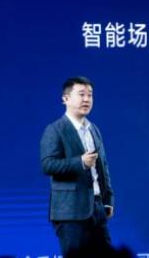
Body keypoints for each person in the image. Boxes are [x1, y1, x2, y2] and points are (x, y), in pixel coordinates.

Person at [40, 76, 115, 257]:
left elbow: (102, 168)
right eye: (81, 94)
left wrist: (108, 200)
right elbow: (48, 165)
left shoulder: (94, 130)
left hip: (97, 209)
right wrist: (80, 162)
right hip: (70, 212)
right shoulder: (55, 130)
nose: (87, 99)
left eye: (90, 95)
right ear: (65, 99)